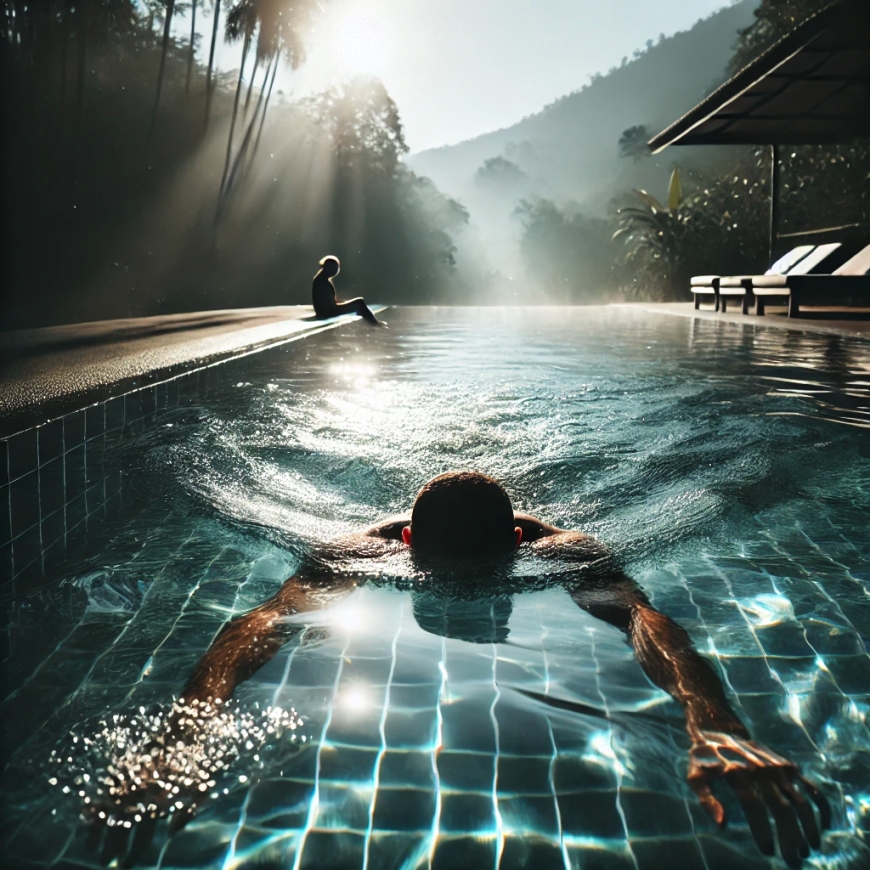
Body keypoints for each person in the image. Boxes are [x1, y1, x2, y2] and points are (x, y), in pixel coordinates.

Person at [98, 472, 830, 868]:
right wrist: (186, 731)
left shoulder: (566, 547)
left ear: (521, 543)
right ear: (404, 544)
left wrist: (714, 720)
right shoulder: (356, 548)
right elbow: (263, 624)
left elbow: (645, 621)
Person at [311, 255, 384, 325]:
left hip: (327, 311)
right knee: (359, 302)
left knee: (357, 304)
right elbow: (327, 304)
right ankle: (374, 324)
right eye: (334, 268)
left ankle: (372, 323)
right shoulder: (321, 281)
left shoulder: (321, 278)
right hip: (327, 312)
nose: (336, 271)